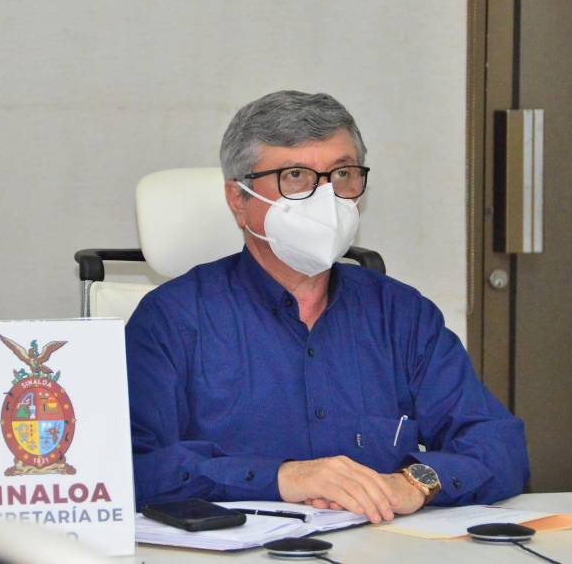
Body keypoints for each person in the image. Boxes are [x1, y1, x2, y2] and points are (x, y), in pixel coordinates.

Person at [125, 90, 529, 523]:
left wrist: (415, 482)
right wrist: (280, 478)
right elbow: (129, 467)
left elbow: (499, 446)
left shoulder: (402, 314)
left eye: (342, 174)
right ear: (239, 199)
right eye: (295, 175)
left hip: (381, 545)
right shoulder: (171, 320)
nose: (326, 197)